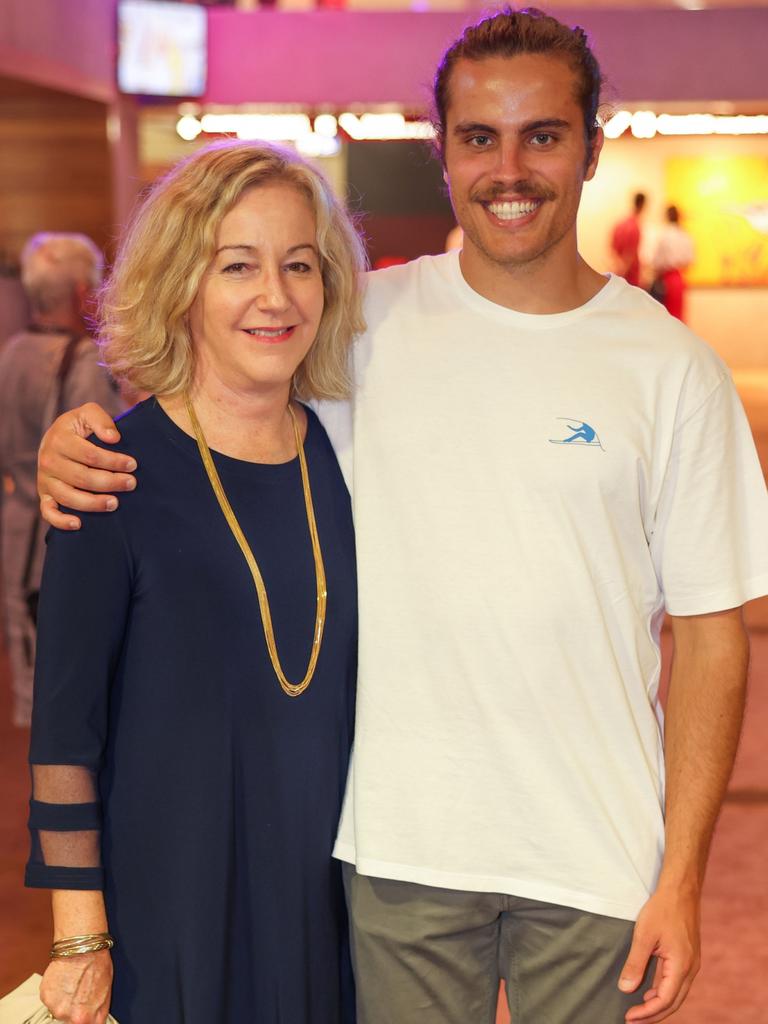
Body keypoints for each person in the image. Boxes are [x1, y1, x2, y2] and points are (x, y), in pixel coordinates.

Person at [36, 9, 768, 1024]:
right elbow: (216, 383)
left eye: (543, 135)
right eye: (480, 136)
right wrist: (77, 434)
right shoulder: (361, 326)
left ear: (592, 147)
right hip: (397, 859)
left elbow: (714, 636)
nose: (509, 167)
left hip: (598, 857)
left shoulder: (673, 368)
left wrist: (683, 874)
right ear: (444, 150)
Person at [26, 140, 364, 1024]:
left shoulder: (349, 458)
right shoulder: (112, 474)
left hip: (334, 901)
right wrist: (78, 936)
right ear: (182, 284)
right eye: (237, 266)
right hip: (170, 911)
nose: (275, 296)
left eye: (299, 265)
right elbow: (66, 730)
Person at [0, 232, 122, 727]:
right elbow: (110, 456)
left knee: (32, 678)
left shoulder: (11, 352)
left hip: (15, 532)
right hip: (62, 535)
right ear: (79, 293)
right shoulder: (86, 362)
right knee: (70, 687)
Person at [651, 205, 695, 321]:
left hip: (666, 280)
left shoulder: (664, 235)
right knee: (678, 317)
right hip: (680, 280)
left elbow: (657, 262)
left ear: (667, 216)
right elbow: (690, 259)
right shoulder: (685, 235)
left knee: (666, 317)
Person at [611, 190, 646, 286]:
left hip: (620, 275)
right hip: (629, 276)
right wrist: (622, 272)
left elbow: (612, 248)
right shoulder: (634, 227)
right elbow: (629, 254)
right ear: (643, 205)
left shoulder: (620, 224)